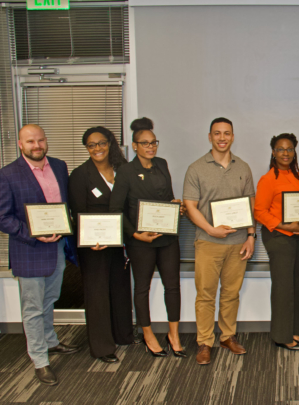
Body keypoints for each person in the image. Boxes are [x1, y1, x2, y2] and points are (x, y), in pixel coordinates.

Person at [0, 124, 81, 386]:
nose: (36, 145)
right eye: (30, 141)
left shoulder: (59, 166)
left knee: (50, 298)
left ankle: (51, 342)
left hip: (58, 247)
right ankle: (40, 361)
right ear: (20, 144)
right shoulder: (7, 175)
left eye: (40, 140)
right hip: (29, 250)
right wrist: (32, 233)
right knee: (32, 307)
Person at [109, 117, 186, 359]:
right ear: (134, 146)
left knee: (172, 287)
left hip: (167, 238)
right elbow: (115, 210)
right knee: (142, 288)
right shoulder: (125, 171)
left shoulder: (162, 164)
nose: (151, 147)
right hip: (140, 242)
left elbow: (168, 197)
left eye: (154, 142)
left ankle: (173, 334)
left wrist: (176, 206)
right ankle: (148, 334)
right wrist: (135, 234)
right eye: (145, 143)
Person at [183, 117, 256, 365]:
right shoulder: (195, 168)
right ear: (210, 136)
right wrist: (210, 229)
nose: (222, 138)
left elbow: (250, 206)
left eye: (227, 133)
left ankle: (227, 336)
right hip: (207, 242)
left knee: (231, 293)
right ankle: (205, 342)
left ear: (233, 137)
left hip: (237, 243)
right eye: (217, 133)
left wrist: (250, 236)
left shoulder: (243, 168)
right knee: (205, 294)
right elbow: (190, 207)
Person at [68, 127, 135, 363]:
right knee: (97, 294)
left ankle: (123, 335)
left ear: (110, 144)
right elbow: (77, 212)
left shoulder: (122, 169)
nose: (97, 149)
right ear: (87, 148)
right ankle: (102, 346)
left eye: (102, 143)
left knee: (119, 288)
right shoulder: (80, 175)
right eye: (92, 145)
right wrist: (89, 240)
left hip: (118, 242)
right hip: (94, 245)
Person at [254, 133, 299, 351]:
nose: (285, 153)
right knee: (283, 286)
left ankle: (294, 331)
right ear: (273, 152)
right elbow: (259, 211)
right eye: (280, 149)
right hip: (279, 237)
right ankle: (282, 336)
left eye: (289, 149)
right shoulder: (268, 179)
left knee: (297, 283)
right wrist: (284, 225)